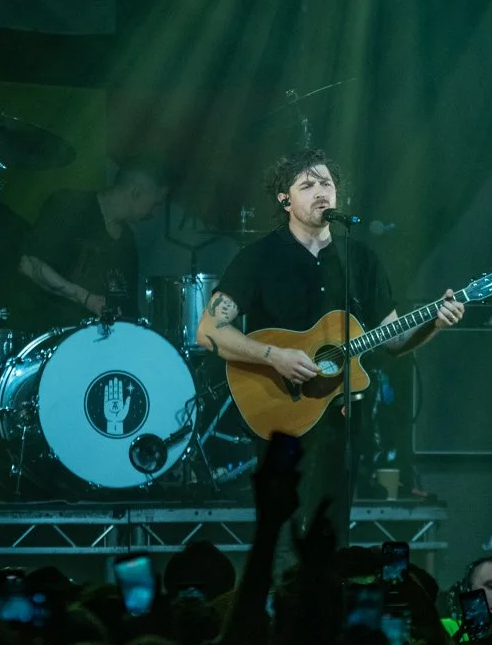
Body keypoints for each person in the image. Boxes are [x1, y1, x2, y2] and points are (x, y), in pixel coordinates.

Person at [195, 149, 464, 539]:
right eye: (307, 185)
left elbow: (394, 339)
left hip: (342, 420)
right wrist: (274, 356)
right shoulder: (259, 257)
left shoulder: (360, 259)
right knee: (282, 537)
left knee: (332, 538)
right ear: (285, 200)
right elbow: (209, 329)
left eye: (327, 183)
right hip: (279, 412)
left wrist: (435, 322)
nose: (321, 191)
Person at [12, 158, 171, 333]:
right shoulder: (70, 206)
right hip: (50, 335)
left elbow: (128, 307)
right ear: (137, 192)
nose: (154, 212)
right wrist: (85, 298)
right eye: (155, 203)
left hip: (99, 343)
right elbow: (29, 264)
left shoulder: (128, 241)